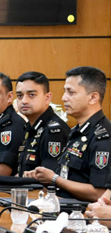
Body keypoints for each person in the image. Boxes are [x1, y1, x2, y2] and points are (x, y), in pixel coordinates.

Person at [26, 66, 111, 201]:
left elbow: (99, 193)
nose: (64, 98)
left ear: (93, 97)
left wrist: (54, 178)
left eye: (71, 92)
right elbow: (70, 178)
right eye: (65, 91)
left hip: (81, 216)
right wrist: (43, 177)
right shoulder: (77, 131)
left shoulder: (103, 136)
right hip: (61, 206)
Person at [16, 71, 70, 174]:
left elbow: (49, 179)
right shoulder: (30, 127)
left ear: (47, 98)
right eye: (19, 96)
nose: (24, 101)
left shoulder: (53, 131)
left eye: (31, 95)